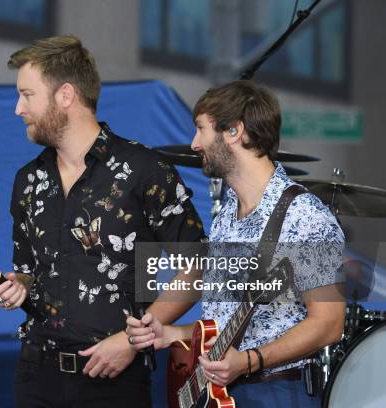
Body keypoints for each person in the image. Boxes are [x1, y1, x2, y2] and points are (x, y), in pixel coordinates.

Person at [0, 35, 205, 408]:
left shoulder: (144, 169)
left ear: (66, 95)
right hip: (35, 374)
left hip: (114, 379)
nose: (18, 109)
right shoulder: (28, 179)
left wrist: (132, 339)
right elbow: (27, 271)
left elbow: (199, 265)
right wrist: (18, 285)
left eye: (27, 95)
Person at [126, 80, 345, 407]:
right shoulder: (228, 213)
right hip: (224, 390)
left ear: (234, 131)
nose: (194, 143)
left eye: (201, 129)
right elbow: (226, 320)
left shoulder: (305, 217)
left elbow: (329, 324)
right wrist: (175, 333)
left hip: (276, 391)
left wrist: (250, 360)